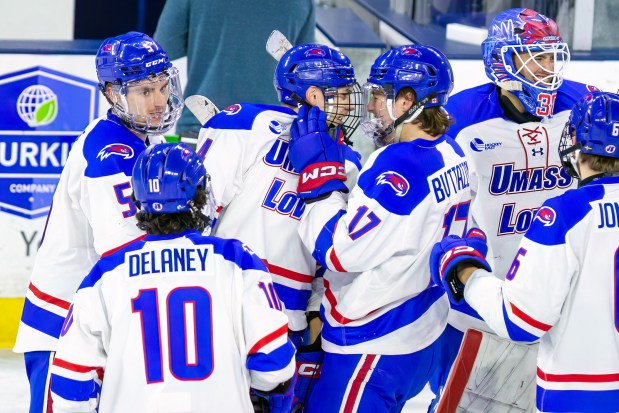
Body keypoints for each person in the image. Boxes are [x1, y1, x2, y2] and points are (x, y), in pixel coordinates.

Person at [287, 44, 471, 412]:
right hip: (418, 337)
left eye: (377, 95)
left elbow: (340, 252)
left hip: (374, 344)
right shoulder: (453, 153)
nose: (370, 106)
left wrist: (318, 181)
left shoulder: (398, 166)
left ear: (407, 100)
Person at [431, 8, 599, 406]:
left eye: (552, 56)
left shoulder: (586, 106)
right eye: (535, 56)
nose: (548, 67)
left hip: (561, 299)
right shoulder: (459, 120)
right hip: (478, 302)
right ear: (500, 62)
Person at [49, 142, 296, 413]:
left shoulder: (105, 274)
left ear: (138, 202)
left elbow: (69, 386)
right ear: (200, 196)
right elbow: (275, 366)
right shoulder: (237, 260)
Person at [12, 32, 183, 413]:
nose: (158, 102)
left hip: (99, 318)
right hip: (66, 325)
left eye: (161, 87)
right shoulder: (110, 151)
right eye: (143, 91)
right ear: (111, 93)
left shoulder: (143, 140)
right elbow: (125, 251)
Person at [154, 0, 315, 138]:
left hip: (204, 126)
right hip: (271, 133)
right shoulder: (302, 2)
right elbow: (306, 71)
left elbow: (161, 49)